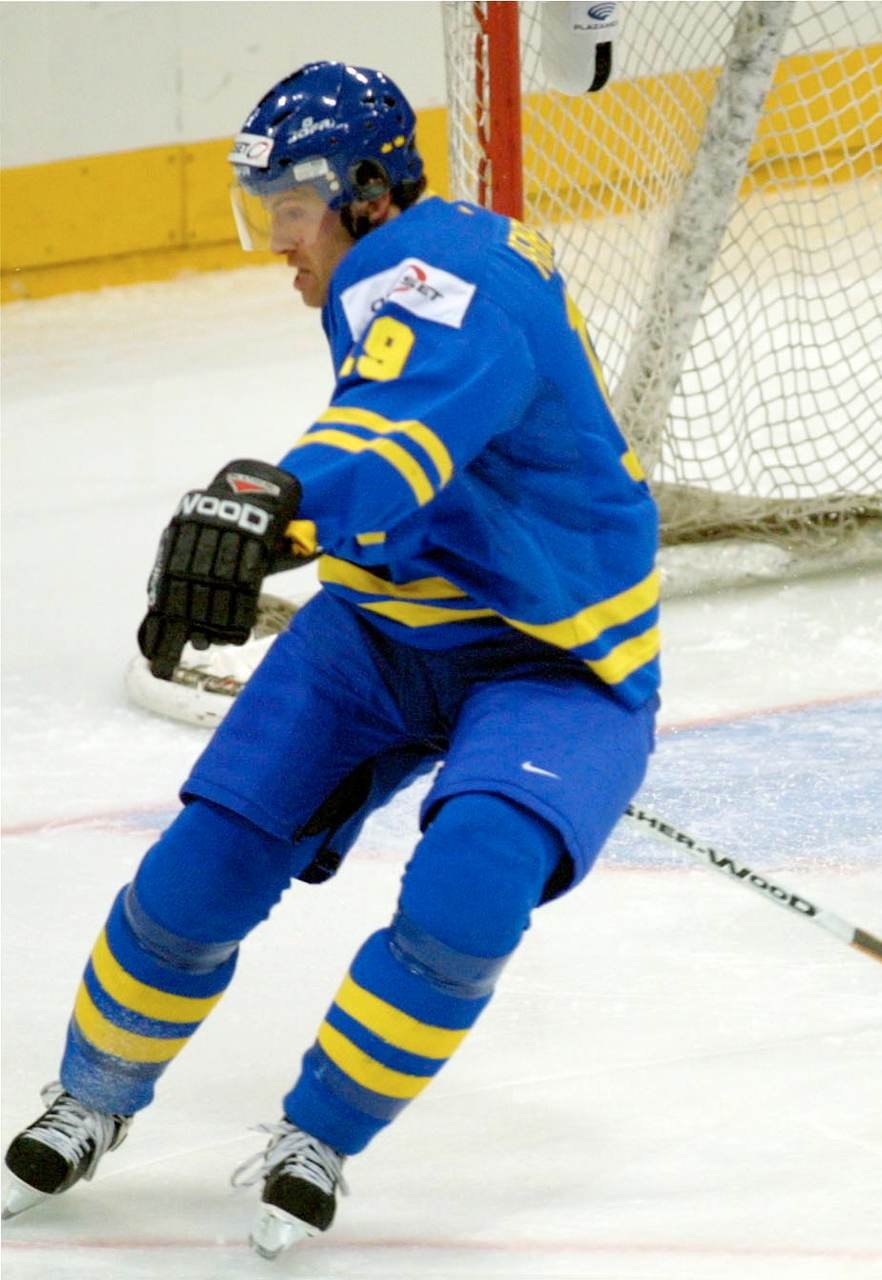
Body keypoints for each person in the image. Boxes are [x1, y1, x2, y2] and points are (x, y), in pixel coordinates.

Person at [1, 63, 660, 1258]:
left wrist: (283, 503)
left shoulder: (439, 274)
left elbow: (401, 434)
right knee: (208, 859)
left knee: (471, 888)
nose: (276, 245)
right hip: (377, 628)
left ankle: (322, 1133)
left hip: (555, 661)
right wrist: (291, 514)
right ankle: (92, 1092)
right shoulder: (397, 270)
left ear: (365, 191)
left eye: (289, 210)